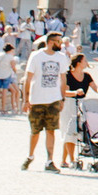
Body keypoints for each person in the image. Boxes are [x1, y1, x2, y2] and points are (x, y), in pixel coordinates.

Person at [22, 33, 68, 170]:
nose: (60, 44)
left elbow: (63, 79)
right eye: (58, 42)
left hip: (53, 99)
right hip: (37, 99)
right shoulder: (36, 56)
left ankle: (49, 160)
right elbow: (28, 78)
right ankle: (30, 155)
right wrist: (26, 99)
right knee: (35, 131)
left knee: (51, 130)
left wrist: (62, 98)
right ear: (50, 42)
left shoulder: (61, 58)